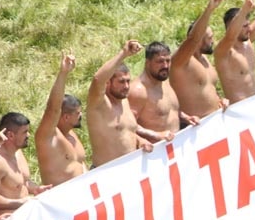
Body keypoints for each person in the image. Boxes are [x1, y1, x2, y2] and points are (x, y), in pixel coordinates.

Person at [87, 40, 154, 168]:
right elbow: (97, 80)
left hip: (129, 170)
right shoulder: (99, 103)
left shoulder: (124, 102)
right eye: (121, 82)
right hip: (106, 173)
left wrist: (140, 141)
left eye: (128, 81)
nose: (127, 86)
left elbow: (125, 132)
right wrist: (123, 53)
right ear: (108, 82)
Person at [170, 0, 228, 119]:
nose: (213, 41)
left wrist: (220, 100)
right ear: (199, 39)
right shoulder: (181, 61)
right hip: (194, 124)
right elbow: (193, 39)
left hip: (215, 120)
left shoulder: (205, 60)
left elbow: (208, 90)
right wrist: (209, 9)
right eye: (209, 38)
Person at [128, 42, 200, 143]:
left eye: (168, 61)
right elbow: (128, 125)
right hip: (154, 149)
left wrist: (186, 118)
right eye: (160, 61)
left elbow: (170, 111)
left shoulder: (164, 82)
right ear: (148, 63)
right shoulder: (138, 91)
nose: (165, 65)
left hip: (176, 145)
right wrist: (156, 135)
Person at [0, 113, 52, 220]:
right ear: (11, 135)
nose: (28, 135)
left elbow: (20, 182)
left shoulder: (18, 153)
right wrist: (19, 203)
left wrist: (36, 189)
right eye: (25, 132)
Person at [35, 53, 87, 186]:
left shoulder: (71, 134)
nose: (81, 115)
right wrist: (63, 73)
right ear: (66, 117)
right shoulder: (47, 137)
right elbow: (52, 109)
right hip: (62, 197)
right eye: (78, 113)